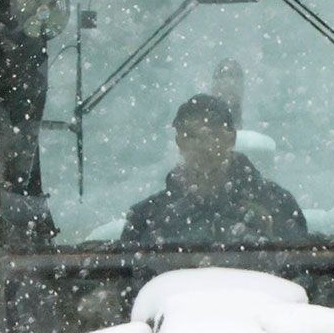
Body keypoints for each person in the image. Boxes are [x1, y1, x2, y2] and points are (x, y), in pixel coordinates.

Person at [122, 93, 306, 247]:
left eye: (212, 133)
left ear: (231, 138)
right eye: (192, 135)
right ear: (179, 142)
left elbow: (302, 277)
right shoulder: (146, 218)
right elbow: (123, 279)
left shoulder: (278, 206)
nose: (203, 145)